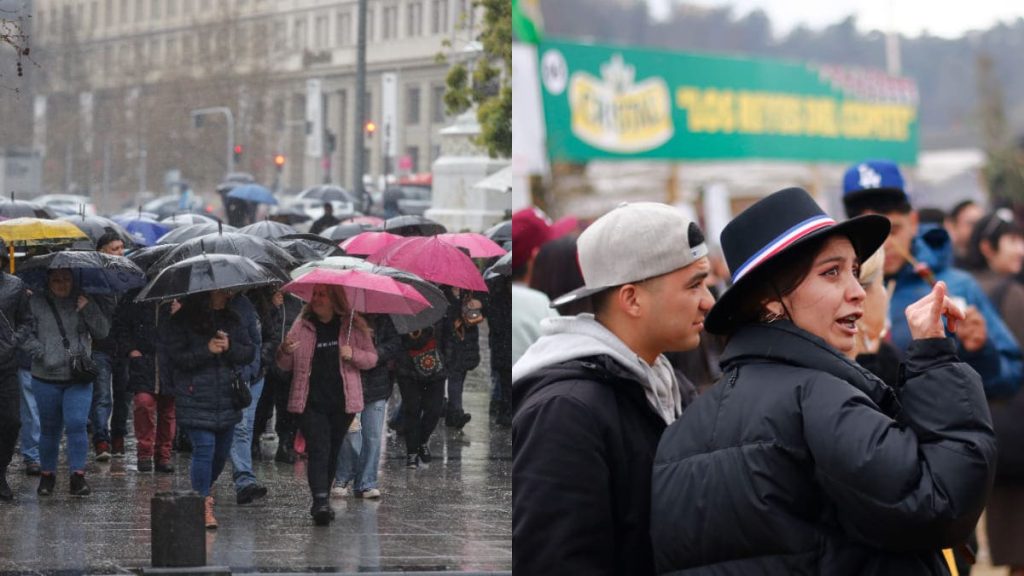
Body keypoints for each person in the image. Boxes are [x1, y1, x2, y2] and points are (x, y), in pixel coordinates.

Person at [650, 187, 996, 575]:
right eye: (831, 272)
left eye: (855, 272)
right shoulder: (820, 401)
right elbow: (941, 503)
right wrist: (934, 360)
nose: (857, 292)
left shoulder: (682, 434)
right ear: (769, 299)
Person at [512, 202, 714, 575]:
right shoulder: (565, 412)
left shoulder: (668, 385)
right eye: (694, 285)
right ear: (632, 299)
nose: (708, 301)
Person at [842, 159, 1023, 399]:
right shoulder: (842, 294)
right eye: (870, 234)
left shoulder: (955, 287)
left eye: (893, 230)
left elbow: (1010, 377)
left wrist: (980, 350)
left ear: (913, 222)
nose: (884, 244)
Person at [277, 285, 377, 525]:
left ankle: (323, 497)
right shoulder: (302, 325)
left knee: (332, 450)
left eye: (322, 295)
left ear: (334, 299)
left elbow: (371, 358)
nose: (317, 299)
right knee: (319, 449)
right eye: (315, 294)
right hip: (310, 401)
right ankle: (320, 501)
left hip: (342, 402)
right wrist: (285, 350)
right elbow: (284, 365)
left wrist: (353, 354)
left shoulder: (351, 325)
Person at [963, 209, 1024, 575]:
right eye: (1012, 240)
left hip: (989, 436)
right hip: (1016, 435)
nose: (1021, 248)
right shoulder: (1012, 295)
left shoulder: (960, 287)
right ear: (987, 247)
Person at [163, 289, 254, 529]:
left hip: (227, 397)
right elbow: (176, 357)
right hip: (195, 395)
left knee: (220, 455)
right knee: (204, 448)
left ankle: (202, 489)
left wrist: (229, 346)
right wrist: (207, 350)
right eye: (222, 290)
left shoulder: (233, 318)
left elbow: (248, 352)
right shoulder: (182, 320)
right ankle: (202, 502)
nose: (227, 293)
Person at [23, 268, 111, 497]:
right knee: (50, 428)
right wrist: (40, 352)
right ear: (48, 281)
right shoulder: (36, 302)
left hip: (78, 376)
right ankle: (48, 475)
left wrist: (88, 308)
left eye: (66, 279)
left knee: (76, 423)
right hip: (45, 376)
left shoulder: (84, 299)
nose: (62, 284)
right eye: (56, 280)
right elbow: (23, 333)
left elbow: (102, 332)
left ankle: (77, 476)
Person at [333, 313, 401, 499]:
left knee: (372, 436)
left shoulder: (384, 319)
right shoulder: (343, 318)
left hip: (377, 385)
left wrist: (372, 353)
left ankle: (366, 482)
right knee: (349, 433)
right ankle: (343, 476)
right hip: (349, 383)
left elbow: (394, 345)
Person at [117, 292, 178, 473]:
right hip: (144, 362)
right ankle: (144, 453)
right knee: (144, 403)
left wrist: (180, 315)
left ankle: (163, 455)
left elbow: (191, 332)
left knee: (168, 411)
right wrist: (131, 350)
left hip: (169, 363)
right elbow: (121, 326)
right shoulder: (134, 297)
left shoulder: (179, 298)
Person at [227, 291, 269, 505]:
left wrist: (251, 370)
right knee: (240, 428)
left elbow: (256, 341)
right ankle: (245, 480)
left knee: (245, 428)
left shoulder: (245, 305)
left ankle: (244, 477)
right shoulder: (206, 307)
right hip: (233, 377)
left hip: (251, 377)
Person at [0, 244, 33, 501]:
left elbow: (26, 321)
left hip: (6, 365)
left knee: (11, 421)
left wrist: (13, 341)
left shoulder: (14, 286)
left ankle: (1, 469)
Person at [90, 231, 126, 460]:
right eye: (115, 249)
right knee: (102, 395)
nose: (120, 253)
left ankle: (119, 436)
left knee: (123, 395)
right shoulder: (92, 280)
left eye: (122, 248)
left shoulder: (128, 277)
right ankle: (101, 439)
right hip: (100, 346)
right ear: (102, 251)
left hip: (123, 346)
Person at [443, 287, 482, 429]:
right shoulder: (443, 294)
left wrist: (478, 305)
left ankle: (451, 414)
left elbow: (477, 318)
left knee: (459, 380)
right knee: (455, 379)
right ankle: (457, 413)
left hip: (467, 345)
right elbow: (443, 322)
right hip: (451, 345)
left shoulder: (469, 293)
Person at [947, 199, 985, 268]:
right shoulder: (945, 261)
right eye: (972, 224)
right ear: (952, 225)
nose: (979, 229)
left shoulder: (989, 261)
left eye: (982, 223)